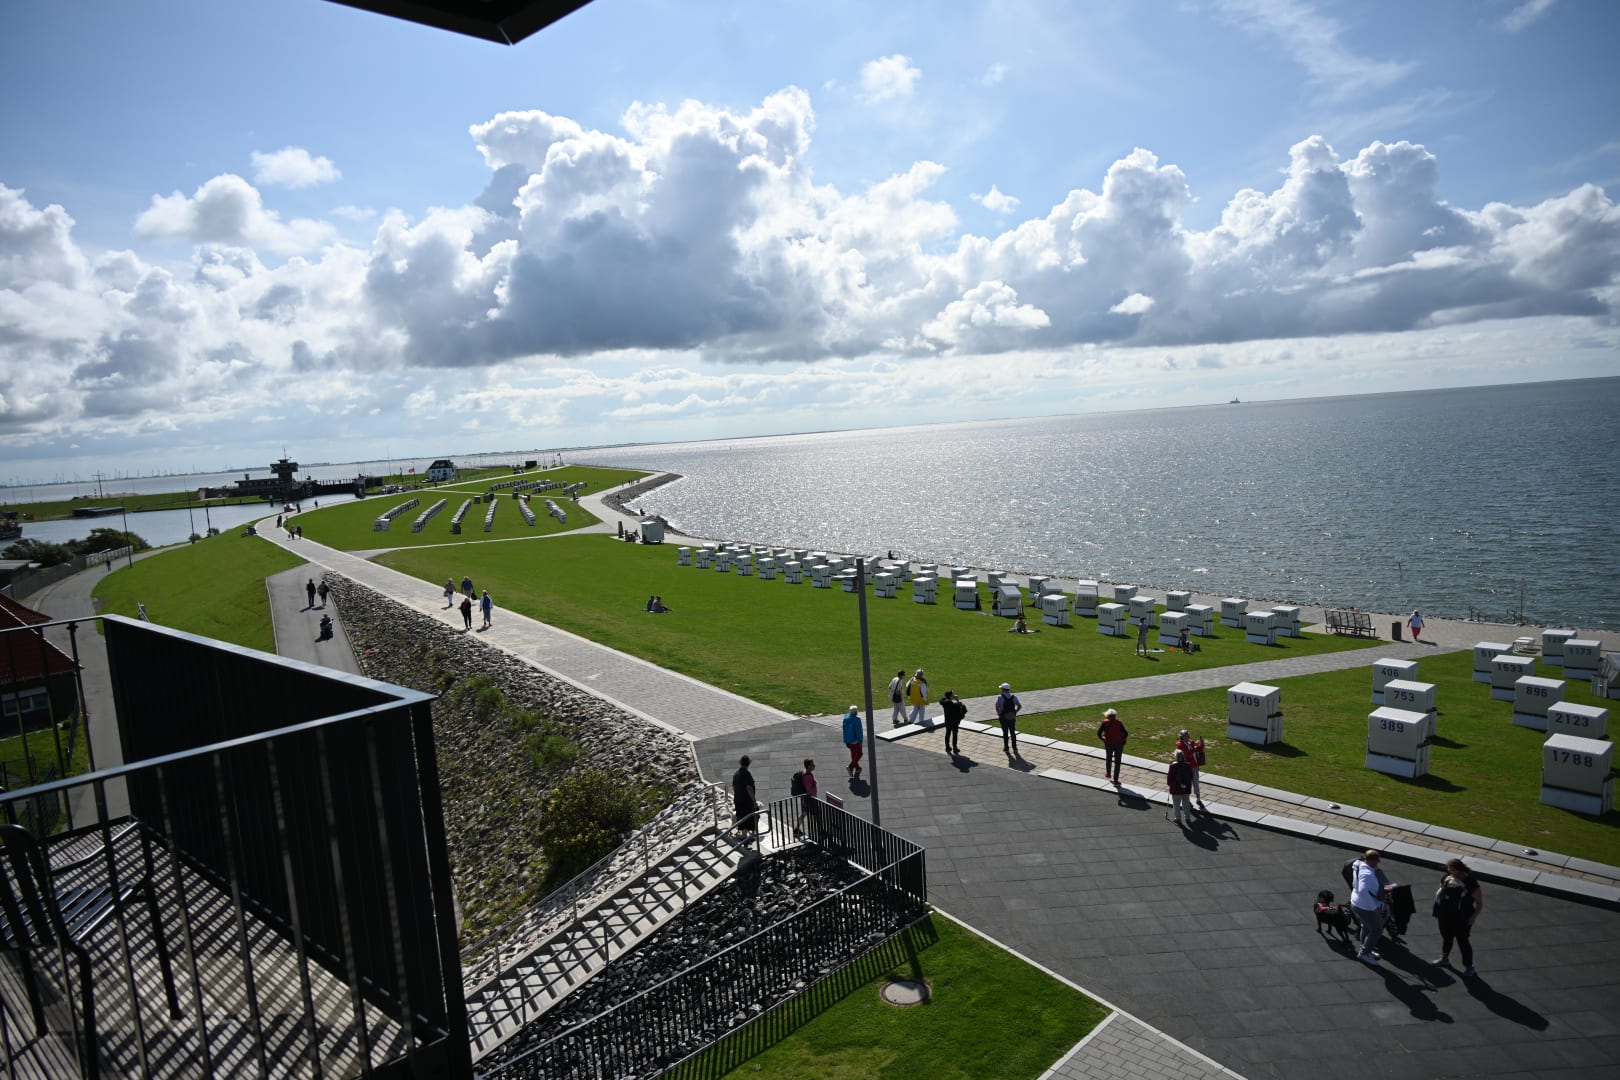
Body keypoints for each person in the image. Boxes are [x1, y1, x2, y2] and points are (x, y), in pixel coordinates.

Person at [1432, 858, 1483, 977]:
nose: (1450, 872)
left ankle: (1469, 967)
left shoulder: (1470, 883)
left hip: (1462, 917)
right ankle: (1445, 958)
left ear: (1459, 869)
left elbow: (1479, 903)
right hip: (1445, 914)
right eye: (1449, 870)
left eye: (1452, 870)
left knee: (1463, 941)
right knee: (1446, 937)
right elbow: (1442, 891)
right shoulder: (1446, 877)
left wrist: (1473, 917)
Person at [1350, 850, 1389, 966]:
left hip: (1357, 902)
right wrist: (1374, 907)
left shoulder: (1358, 866)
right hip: (1366, 907)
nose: (1378, 863)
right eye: (1377, 860)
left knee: (1366, 927)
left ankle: (1366, 948)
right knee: (1376, 930)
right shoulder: (1367, 874)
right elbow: (1363, 890)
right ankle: (1364, 953)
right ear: (1372, 860)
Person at [1174, 729, 1206, 810]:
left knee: (1196, 783)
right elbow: (1188, 755)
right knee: (1187, 784)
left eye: (1188, 734)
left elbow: (1198, 749)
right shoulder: (1180, 745)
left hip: (1195, 766)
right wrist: (1195, 747)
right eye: (1186, 735)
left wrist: (1201, 744)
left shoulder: (1191, 742)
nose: (1188, 736)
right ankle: (1187, 800)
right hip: (1187, 768)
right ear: (1182, 737)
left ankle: (1198, 799)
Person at [1098, 708, 1128, 782]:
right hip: (1118, 744)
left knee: (1109, 759)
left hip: (1108, 743)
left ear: (1107, 715)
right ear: (1115, 715)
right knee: (1117, 762)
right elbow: (1126, 733)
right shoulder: (1119, 722)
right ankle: (1116, 780)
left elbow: (1099, 733)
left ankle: (1108, 774)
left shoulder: (1105, 722)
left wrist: (1103, 739)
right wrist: (1122, 740)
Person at [793, 758, 819, 838]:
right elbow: (808, 790)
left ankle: (796, 829)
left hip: (806, 799)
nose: (814, 766)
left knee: (804, 814)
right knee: (818, 815)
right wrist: (813, 799)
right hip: (810, 799)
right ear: (808, 766)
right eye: (812, 765)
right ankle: (820, 831)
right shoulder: (808, 777)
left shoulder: (805, 772)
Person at [1167, 749, 1194, 824]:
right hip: (1186, 788)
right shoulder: (1188, 765)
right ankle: (1188, 818)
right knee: (1186, 804)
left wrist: (1169, 784)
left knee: (1176, 804)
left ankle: (1178, 818)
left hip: (1176, 788)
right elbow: (1191, 776)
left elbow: (1170, 778)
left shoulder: (1173, 766)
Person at [731, 755, 757, 832]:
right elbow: (749, 788)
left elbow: (733, 787)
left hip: (737, 799)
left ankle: (743, 834)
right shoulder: (747, 774)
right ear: (748, 764)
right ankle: (745, 835)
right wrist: (754, 801)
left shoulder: (736, 774)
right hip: (746, 800)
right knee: (748, 817)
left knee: (741, 816)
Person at [994, 682, 1022, 755]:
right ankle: (1015, 748)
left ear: (1003, 689)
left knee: (1005, 733)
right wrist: (1015, 712)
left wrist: (999, 713)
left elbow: (997, 707)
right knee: (1013, 732)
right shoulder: (1014, 696)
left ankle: (1006, 748)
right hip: (1012, 717)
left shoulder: (1000, 697)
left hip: (1003, 717)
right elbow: (1019, 706)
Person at [940, 690, 966, 755]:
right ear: (951, 696)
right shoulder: (954, 705)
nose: (954, 695)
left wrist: (947, 697)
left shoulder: (944, 703)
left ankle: (947, 747)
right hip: (954, 722)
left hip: (947, 721)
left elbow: (941, 700)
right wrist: (957, 700)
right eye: (953, 694)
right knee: (954, 734)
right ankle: (955, 748)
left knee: (947, 733)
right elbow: (963, 708)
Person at [842, 706, 865, 777]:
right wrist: (860, 740)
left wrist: (846, 741)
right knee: (859, 754)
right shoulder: (857, 720)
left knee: (853, 754)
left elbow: (844, 730)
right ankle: (850, 767)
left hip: (848, 740)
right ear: (856, 712)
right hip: (855, 741)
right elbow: (859, 731)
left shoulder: (845, 719)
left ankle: (857, 768)